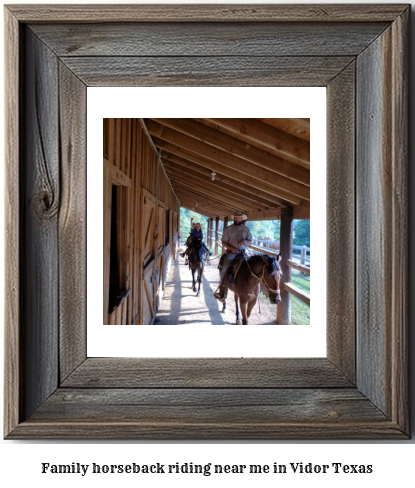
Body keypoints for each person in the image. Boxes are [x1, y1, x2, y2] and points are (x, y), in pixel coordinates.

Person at [214, 211, 252, 302]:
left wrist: (245, 242)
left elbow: (250, 242)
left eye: (238, 217)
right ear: (233, 218)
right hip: (231, 253)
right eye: (235, 217)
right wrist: (233, 249)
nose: (237, 219)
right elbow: (223, 242)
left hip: (243, 252)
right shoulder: (228, 229)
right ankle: (222, 290)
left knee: (252, 268)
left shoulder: (246, 230)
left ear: (241, 219)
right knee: (224, 270)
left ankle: (252, 288)